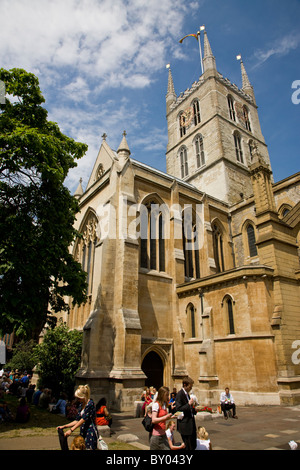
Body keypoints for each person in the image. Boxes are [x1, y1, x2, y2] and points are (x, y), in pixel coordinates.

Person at [57, 384, 98, 450]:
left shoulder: (90, 404)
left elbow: (83, 419)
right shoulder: (81, 405)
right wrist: (65, 426)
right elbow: (77, 420)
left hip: (90, 432)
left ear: (83, 396)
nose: (78, 399)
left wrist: (71, 430)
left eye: (79, 398)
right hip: (83, 431)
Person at [175, 377, 197, 450]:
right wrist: (188, 404)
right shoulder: (180, 394)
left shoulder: (187, 394)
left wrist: (194, 409)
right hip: (185, 425)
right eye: (190, 386)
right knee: (188, 446)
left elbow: (188, 407)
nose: (191, 388)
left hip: (190, 423)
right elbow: (178, 409)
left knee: (193, 444)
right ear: (185, 385)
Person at [150, 386, 172, 450]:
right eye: (166, 395)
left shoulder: (164, 405)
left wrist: (171, 417)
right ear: (162, 395)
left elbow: (164, 418)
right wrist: (165, 417)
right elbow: (153, 420)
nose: (168, 397)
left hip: (163, 435)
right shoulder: (156, 405)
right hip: (156, 436)